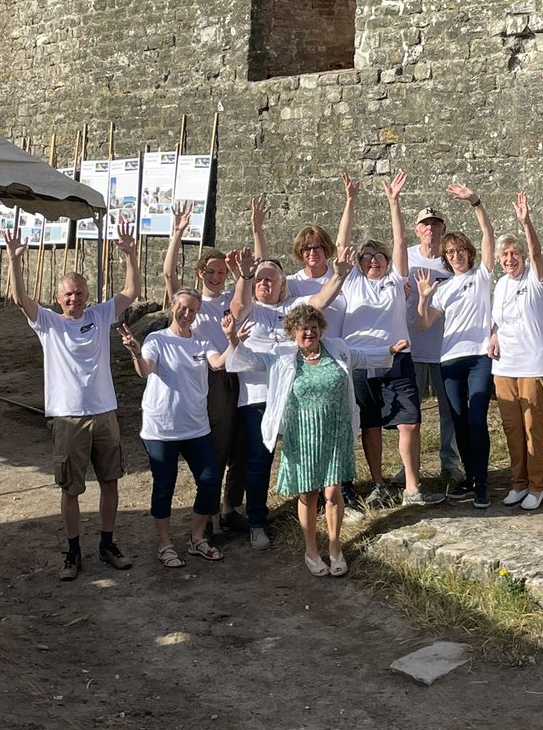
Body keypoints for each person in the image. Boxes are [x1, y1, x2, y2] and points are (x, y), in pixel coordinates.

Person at [225, 303, 406, 576]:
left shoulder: (337, 348)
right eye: (302, 328)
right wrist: (232, 339)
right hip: (302, 434)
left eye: (313, 327)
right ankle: (311, 549)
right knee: (308, 493)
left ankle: (335, 547)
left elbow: (360, 356)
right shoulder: (282, 354)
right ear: (293, 332)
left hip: (336, 431)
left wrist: (389, 351)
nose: (309, 332)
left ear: (320, 328)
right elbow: (249, 359)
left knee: (333, 492)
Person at [4, 222, 141, 581]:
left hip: (104, 413)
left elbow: (132, 291)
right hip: (67, 418)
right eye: (68, 294)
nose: (74, 299)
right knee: (71, 488)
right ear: (57, 297)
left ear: (87, 296)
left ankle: (107, 544)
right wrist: (15, 261)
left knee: (110, 481)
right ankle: (73, 551)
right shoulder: (48, 323)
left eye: (79, 293)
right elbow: (20, 300)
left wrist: (130, 254)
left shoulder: (99, 315)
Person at [338, 170, 444, 510]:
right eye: (367, 258)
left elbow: (401, 243)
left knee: (410, 422)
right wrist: (350, 202)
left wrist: (394, 203)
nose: (373, 261)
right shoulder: (352, 282)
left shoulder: (397, 281)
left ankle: (412, 487)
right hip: (360, 362)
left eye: (378, 257)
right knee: (370, 426)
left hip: (398, 358)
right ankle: (379, 484)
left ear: (387, 262)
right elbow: (342, 246)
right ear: (359, 263)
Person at [230, 247, 348, 548]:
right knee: (259, 460)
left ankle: (325, 502)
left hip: (297, 396)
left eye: (271, 280)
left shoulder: (295, 306)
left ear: (284, 284)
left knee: (314, 453)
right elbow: (238, 305)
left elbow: (321, 300)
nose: (264, 284)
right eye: (259, 280)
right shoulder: (250, 309)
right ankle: (257, 521)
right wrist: (244, 276)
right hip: (258, 397)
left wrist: (340, 273)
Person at [118, 290, 228, 566]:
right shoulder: (157, 339)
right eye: (183, 308)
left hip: (196, 428)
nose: (187, 314)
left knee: (210, 479)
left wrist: (235, 340)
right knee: (164, 486)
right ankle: (165, 544)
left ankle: (197, 538)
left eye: (193, 310)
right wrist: (135, 351)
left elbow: (218, 363)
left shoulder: (202, 342)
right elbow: (146, 369)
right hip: (162, 429)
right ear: (172, 306)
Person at [162, 202, 247, 535]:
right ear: (200, 273)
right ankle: (207, 515)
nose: (215, 277)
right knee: (215, 446)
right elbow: (169, 275)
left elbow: (247, 289)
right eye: (210, 271)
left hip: (237, 371)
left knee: (240, 444)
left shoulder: (230, 298)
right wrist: (178, 232)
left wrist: (242, 270)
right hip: (209, 376)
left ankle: (230, 508)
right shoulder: (190, 302)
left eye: (221, 272)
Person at [415, 184, 494, 509]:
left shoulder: (483, 275)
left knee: (477, 419)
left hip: (478, 358)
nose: (456, 256)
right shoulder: (444, 289)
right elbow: (425, 323)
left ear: (469, 253)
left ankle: (482, 484)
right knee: (459, 421)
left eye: (460, 250)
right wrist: (422, 299)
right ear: (446, 259)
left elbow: (488, 233)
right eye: (450, 253)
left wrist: (475, 201)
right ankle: (468, 477)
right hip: (450, 361)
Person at [487, 192, 543, 511]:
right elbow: (498, 321)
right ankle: (518, 483)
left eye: (514, 253)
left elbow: (537, 251)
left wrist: (526, 222)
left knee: (532, 426)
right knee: (512, 427)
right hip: (505, 366)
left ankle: (536, 485)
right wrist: (493, 336)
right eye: (505, 255)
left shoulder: (535, 278)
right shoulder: (501, 284)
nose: (510, 259)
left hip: (533, 365)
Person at [400, 203, 462, 488]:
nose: (430, 228)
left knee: (449, 411)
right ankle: (409, 469)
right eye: (425, 224)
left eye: (435, 223)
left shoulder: (452, 261)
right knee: (410, 415)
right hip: (412, 347)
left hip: (445, 348)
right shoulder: (406, 258)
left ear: (443, 229)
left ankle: (450, 464)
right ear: (417, 230)